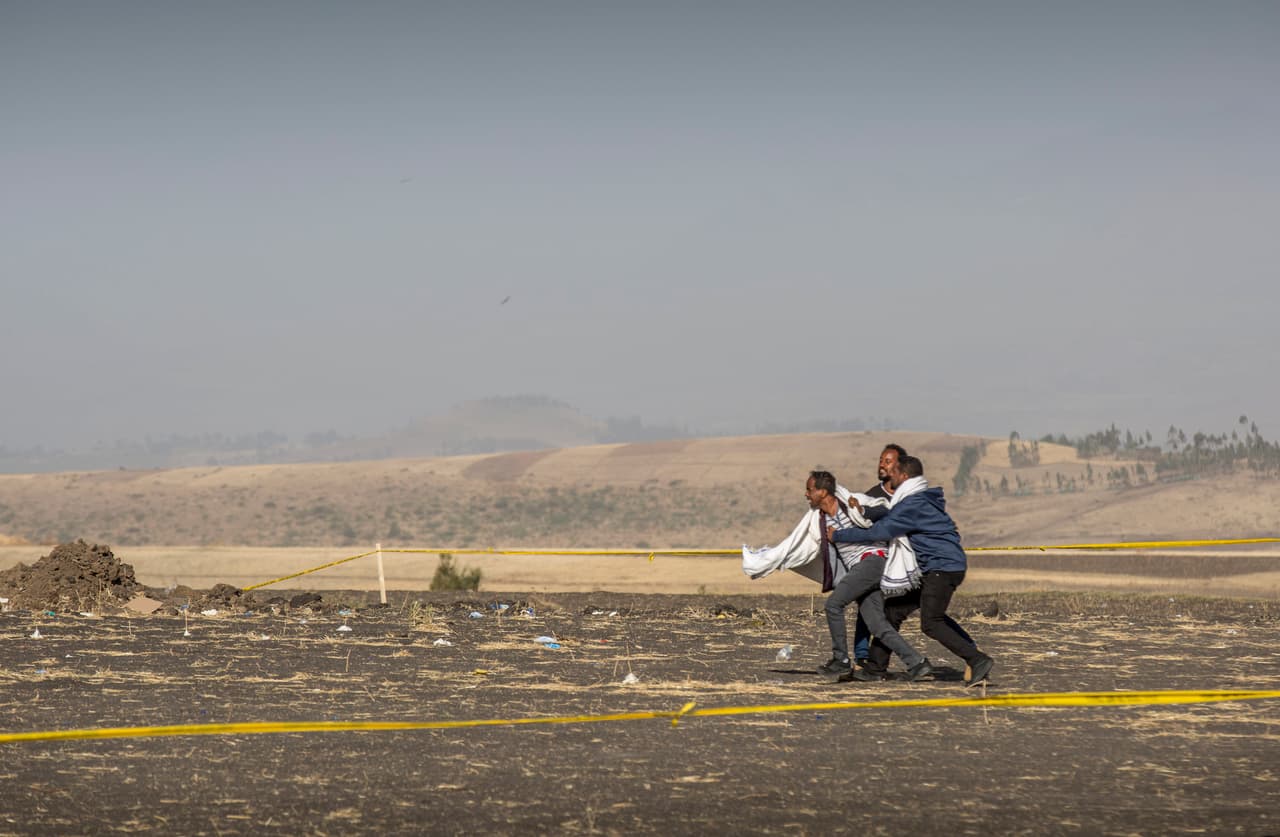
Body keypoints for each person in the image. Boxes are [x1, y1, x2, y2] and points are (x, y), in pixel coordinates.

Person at [829, 455, 994, 687]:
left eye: (894, 473)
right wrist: (864, 511)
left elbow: (880, 532)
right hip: (935, 568)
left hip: (942, 568)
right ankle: (875, 668)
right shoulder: (916, 500)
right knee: (893, 611)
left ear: (904, 476)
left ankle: (977, 660)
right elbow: (887, 516)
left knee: (932, 622)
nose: (890, 477)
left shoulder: (912, 505)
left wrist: (839, 535)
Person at [806, 470, 933, 682]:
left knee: (833, 605)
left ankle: (841, 661)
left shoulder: (850, 504)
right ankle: (917, 663)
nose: (806, 494)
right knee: (876, 624)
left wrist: (863, 509)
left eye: (810, 490)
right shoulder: (818, 518)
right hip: (861, 569)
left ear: (823, 491)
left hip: (872, 561)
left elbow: (886, 510)